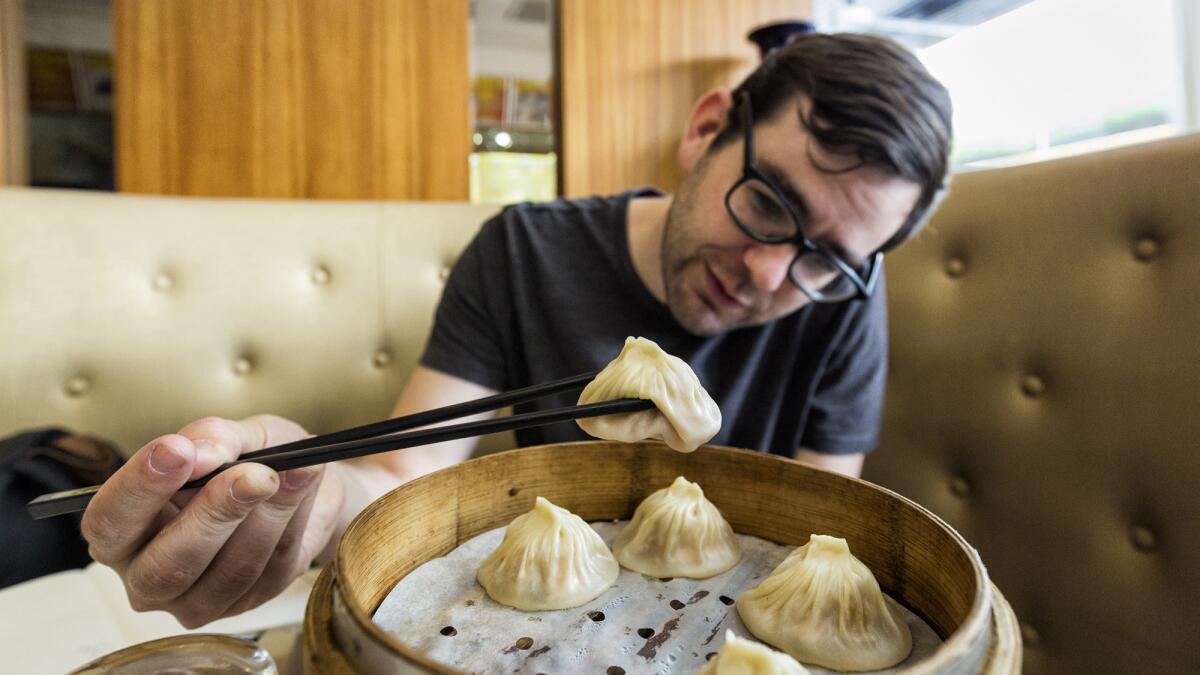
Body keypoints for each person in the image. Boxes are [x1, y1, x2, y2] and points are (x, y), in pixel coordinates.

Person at [80, 33, 952, 628]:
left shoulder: (841, 302)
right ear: (705, 130)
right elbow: (405, 469)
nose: (770, 272)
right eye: (767, 202)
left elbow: (822, 529)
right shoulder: (525, 249)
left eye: (825, 258)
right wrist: (293, 490)